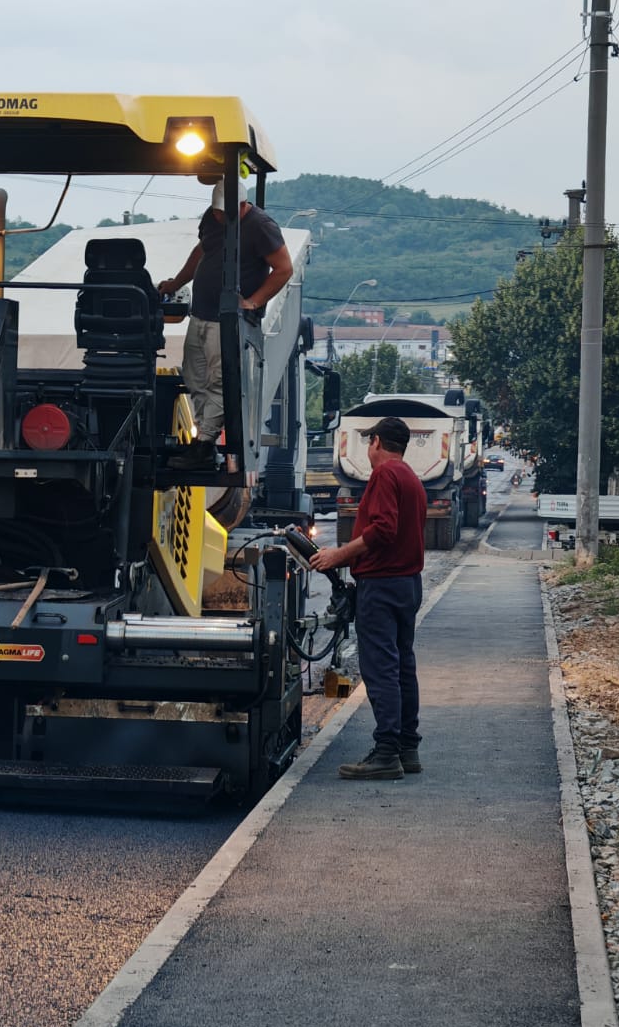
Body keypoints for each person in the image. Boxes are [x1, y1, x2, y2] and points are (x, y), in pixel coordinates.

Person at [309, 416, 428, 780]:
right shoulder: (412, 479)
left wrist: (338, 555)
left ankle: (386, 753)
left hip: (382, 585)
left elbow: (383, 530)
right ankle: (407, 748)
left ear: (376, 441)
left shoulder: (384, 475)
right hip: (407, 583)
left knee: (381, 669)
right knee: (403, 666)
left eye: (368, 441)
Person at [156, 178, 294, 471]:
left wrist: (253, 302)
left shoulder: (261, 226)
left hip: (228, 320)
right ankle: (202, 439)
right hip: (202, 313)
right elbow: (202, 251)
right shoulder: (211, 218)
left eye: (226, 212)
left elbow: (283, 268)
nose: (221, 217)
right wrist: (176, 283)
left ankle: (204, 442)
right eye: (217, 212)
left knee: (218, 380)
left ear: (243, 205)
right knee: (195, 376)